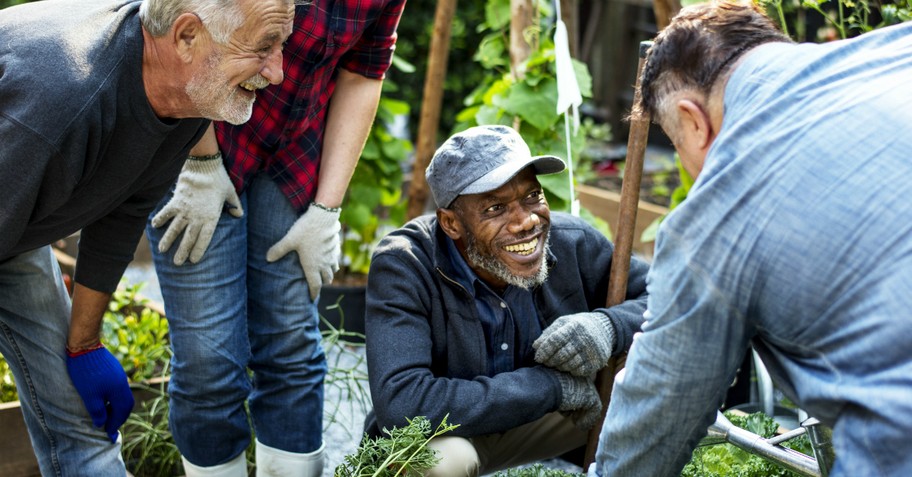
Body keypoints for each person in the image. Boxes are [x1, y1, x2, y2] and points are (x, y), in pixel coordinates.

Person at [591, 2, 912, 476]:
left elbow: (654, 419)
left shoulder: (717, 213)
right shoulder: (895, 47)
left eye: (678, 147)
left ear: (693, 120)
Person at [0, 0, 296, 474]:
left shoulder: (189, 95)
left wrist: (84, 344)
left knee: (80, 424)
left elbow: (123, 209)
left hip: (15, 225)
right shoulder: (63, 103)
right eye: (263, 47)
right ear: (186, 37)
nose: (278, 71)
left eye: (281, 46)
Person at [144, 0, 406, 475]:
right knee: (209, 361)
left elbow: (364, 72)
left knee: (289, 346)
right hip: (196, 134)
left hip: (293, 152)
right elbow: (185, 34)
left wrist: (327, 208)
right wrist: (199, 162)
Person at [363, 125, 650, 476]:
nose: (526, 221)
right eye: (496, 208)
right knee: (437, 465)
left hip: (549, 421)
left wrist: (608, 326)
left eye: (532, 196)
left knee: (656, 383)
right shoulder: (405, 265)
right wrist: (549, 387)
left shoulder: (575, 242)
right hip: (451, 431)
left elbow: (665, 299)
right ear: (451, 223)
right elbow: (403, 403)